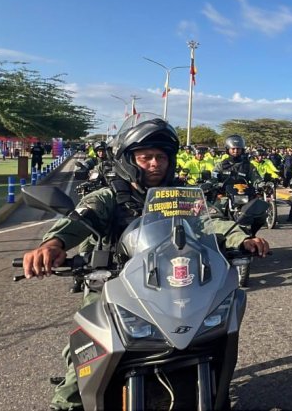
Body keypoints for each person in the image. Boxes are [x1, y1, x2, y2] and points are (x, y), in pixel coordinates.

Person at [22, 117, 270, 411]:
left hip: (177, 286)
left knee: (216, 338)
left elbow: (212, 222)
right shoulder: (109, 197)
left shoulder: (181, 195)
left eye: (161, 157)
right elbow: (76, 221)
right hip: (115, 287)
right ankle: (66, 404)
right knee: (83, 360)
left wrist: (240, 238)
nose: (155, 164)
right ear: (129, 160)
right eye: (146, 157)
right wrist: (52, 244)